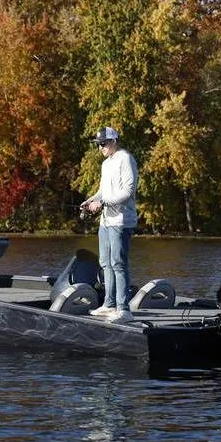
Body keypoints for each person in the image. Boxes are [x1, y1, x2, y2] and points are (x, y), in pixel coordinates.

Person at [80, 127, 139, 324]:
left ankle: (124, 310)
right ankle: (109, 304)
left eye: (103, 144)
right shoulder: (106, 164)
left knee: (118, 264)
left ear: (114, 141)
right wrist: (91, 200)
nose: (100, 148)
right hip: (105, 222)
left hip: (121, 222)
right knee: (105, 263)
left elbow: (127, 192)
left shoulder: (125, 159)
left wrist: (103, 203)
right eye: (98, 144)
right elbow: (103, 191)